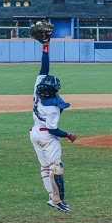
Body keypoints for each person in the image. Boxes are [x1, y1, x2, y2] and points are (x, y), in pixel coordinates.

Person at [30, 41, 77, 212]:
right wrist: (69, 135)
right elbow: (53, 130)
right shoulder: (52, 110)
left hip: (34, 133)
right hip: (48, 137)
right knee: (56, 167)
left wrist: (45, 46)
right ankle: (57, 200)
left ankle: (51, 196)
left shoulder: (37, 90)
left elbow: (44, 69)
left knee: (44, 167)